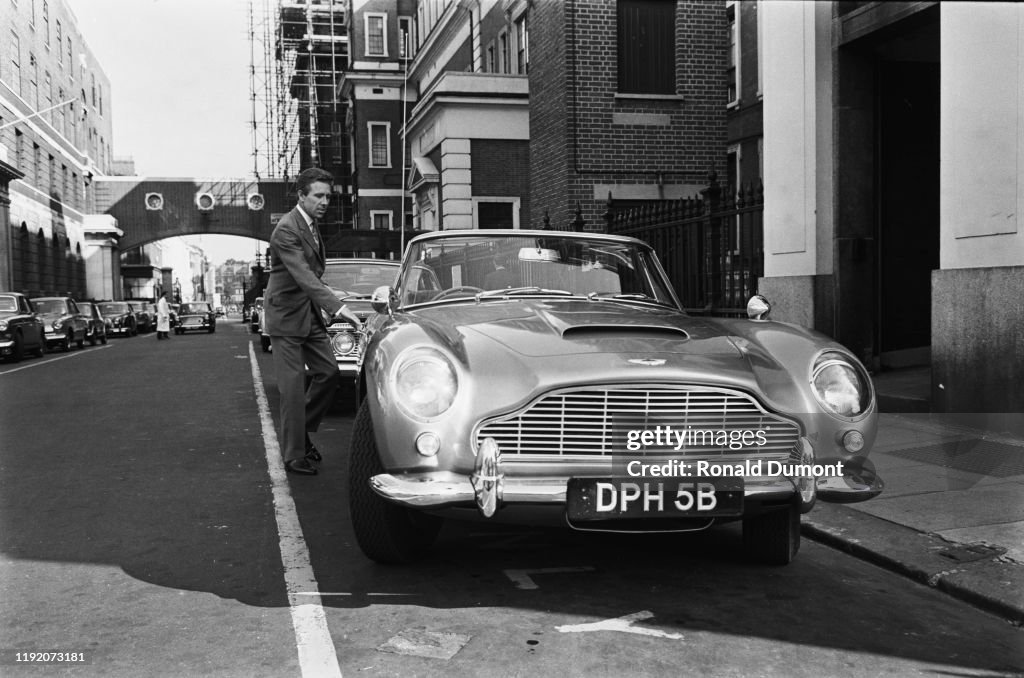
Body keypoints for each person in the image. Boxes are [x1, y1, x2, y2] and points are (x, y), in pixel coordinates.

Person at [265, 167, 362, 476]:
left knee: (329, 372)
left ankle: (299, 431)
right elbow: (304, 275)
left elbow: (314, 275)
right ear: (301, 195)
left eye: (328, 197)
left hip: (308, 314)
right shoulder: (286, 228)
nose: (324, 202)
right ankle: (294, 455)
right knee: (292, 389)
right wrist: (338, 307)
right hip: (286, 317)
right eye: (318, 196)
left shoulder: (310, 224)